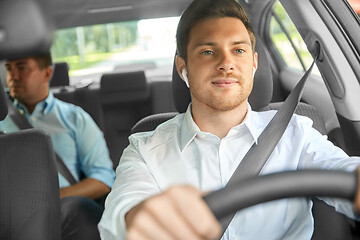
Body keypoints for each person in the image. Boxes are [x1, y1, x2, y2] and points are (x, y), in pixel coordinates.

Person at [98, 0, 360, 239]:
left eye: (238, 50)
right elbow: (122, 212)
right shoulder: (144, 150)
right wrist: (141, 219)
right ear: (183, 68)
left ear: (254, 64)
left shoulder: (296, 133)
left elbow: (342, 168)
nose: (226, 63)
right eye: (208, 52)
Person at [1, 52, 116, 240]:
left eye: (21, 68)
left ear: (46, 73)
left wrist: (53, 198)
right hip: (6, 211)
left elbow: (103, 178)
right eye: (8, 69)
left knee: (80, 209)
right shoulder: (1, 119)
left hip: (61, 209)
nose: (12, 77)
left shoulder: (75, 118)